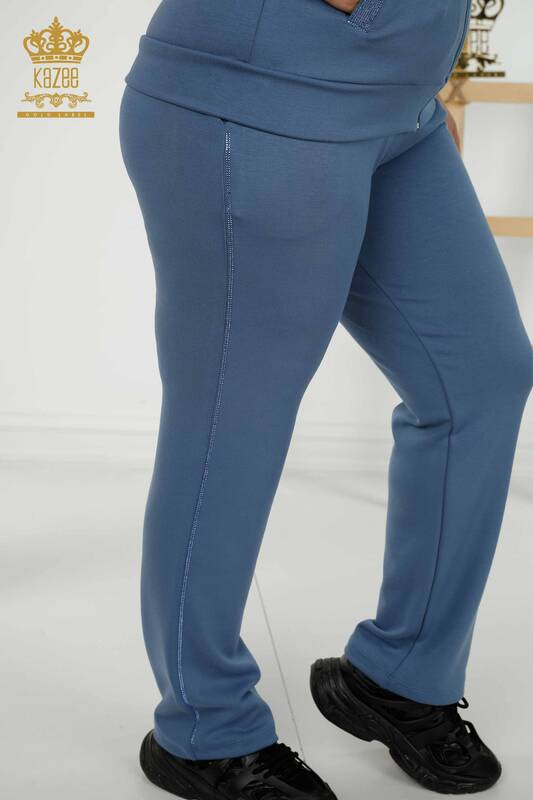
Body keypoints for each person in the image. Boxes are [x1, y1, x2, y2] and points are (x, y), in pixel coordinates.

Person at [119, 1, 532, 796]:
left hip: (394, 115)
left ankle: (400, 674)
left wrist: (416, 75)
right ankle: (204, 727)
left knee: (480, 377)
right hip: (259, 104)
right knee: (233, 416)